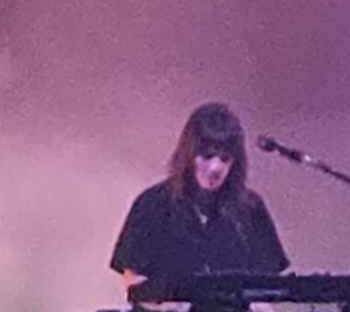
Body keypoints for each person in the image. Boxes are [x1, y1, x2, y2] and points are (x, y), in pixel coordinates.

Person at [109, 102, 289, 285]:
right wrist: (168, 307)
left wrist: (261, 305)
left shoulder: (250, 208)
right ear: (189, 155)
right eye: (207, 156)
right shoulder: (153, 204)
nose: (215, 167)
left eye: (225, 158)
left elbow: (269, 281)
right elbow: (133, 278)